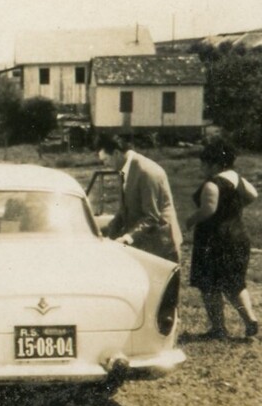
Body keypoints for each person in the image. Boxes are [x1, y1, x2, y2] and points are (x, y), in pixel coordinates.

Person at [186, 137, 259, 339]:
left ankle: (218, 328)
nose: (201, 168)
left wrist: (190, 221)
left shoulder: (212, 184)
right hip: (238, 234)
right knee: (235, 283)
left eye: (204, 164)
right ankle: (250, 319)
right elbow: (252, 195)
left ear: (215, 164)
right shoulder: (237, 178)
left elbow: (208, 209)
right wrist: (232, 209)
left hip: (215, 238)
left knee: (209, 285)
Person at [97, 134, 182, 262]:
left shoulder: (146, 171)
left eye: (105, 159)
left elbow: (152, 216)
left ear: (116, 153)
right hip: (146, 241)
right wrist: (108, 235)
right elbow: (124, 209)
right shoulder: (126, 168)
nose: (105, 164)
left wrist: (127, 238)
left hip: (162, 244)